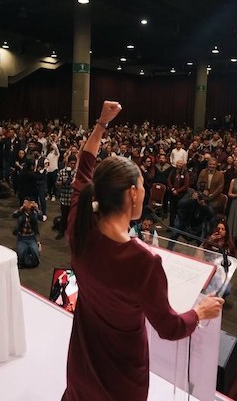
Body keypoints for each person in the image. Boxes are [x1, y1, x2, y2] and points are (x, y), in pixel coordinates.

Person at [62, 101, 224, 401]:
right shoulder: (143, 261)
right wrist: (200, 311)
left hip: (83, 357)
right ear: (133, 193)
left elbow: (84, 168)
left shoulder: (80, 226)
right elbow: (170, 327)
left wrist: (101, 123)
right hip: (121, 372)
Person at [14, 198, 42, 268]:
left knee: (36, 258)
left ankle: (35, 248)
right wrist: (20, 209)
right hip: (21, 238)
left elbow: (41, 218)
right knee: (20, 259)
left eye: (29, 203)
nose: (27, 205)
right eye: (25, 203)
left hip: (32, 238)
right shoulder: (20, 213)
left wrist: (37, 209)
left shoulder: (34, 213)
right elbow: (14, 215)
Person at [55, 155, 77, 240]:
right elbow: (57, 184)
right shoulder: (62, 171)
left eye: (74, 164)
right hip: (64, 198)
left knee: (73, 218)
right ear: (68, 163)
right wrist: (63, 182)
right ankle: (61, 232)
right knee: (64, 217)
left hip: (73, 199)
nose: (73, 165)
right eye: (71, 163)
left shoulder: (77, 172)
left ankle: (72, 233)